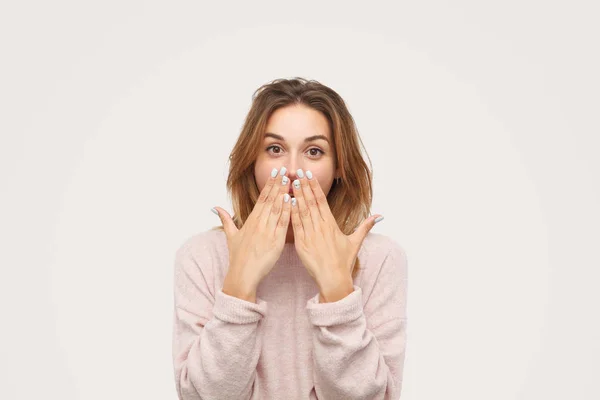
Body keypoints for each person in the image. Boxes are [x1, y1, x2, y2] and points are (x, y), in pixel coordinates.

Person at [172, 77, 408, 400]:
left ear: (338, 165)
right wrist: (239, 286)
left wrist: (337, 290)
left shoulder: (381, 259)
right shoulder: (202, 256)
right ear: (252, 161)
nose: (293, 169)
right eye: (275, 149)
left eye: (314, 151)